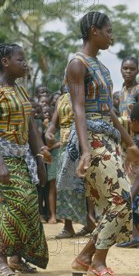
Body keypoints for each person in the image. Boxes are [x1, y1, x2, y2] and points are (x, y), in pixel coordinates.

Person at [64, 11, 139, 276]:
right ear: (94, 30)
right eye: (108, 31)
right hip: (93, 139)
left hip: (108, 138)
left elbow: (109, 111)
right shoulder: (77, 63)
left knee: (116, 201)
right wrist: (85, 150)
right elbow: (78, 109)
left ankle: (86, 256)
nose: (112, 36)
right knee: (121, 199)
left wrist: (128, 142)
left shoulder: (103, 67)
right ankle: (97, 262)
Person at [0, 43, 52, 276]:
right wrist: (0, 162)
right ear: (5, 62)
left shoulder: (22, 92)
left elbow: (31, 129)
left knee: (30, 202)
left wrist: (40, 159)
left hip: (21, 156)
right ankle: (0, 260)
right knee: (17, 201)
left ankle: (16, 258)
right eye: (20, 60)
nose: (25, 64)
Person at [45, 90, 95, 239]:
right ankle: (72, 226)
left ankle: (88, 221)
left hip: (82, 143)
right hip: (64, 146)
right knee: (64, 186)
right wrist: (49, 132)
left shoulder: (85, 95)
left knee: (82, 185)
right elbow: (54, 123)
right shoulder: (61, 99)